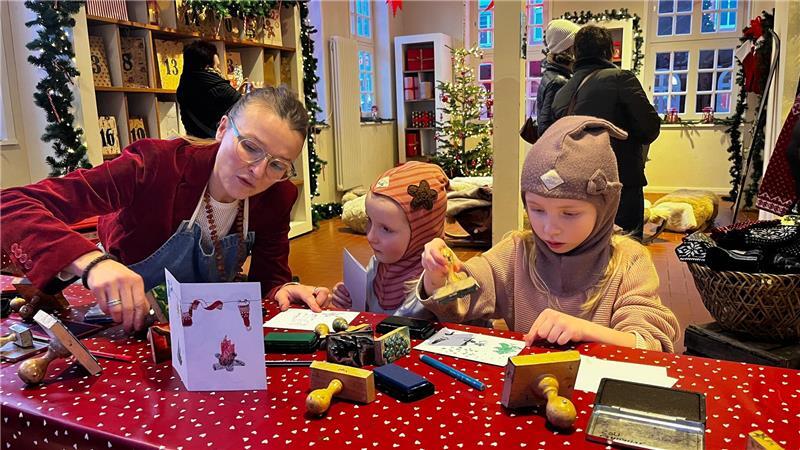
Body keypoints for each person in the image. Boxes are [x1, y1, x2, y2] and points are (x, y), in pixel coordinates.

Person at [0, 86, 331, 332]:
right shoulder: (154, 165)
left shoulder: (277, 196)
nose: (258, 172)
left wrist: (283, 288)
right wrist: (92, 263)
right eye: (249, 147)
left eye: (277, 164)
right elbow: (11, 205)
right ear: (222, 128)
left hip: (205, 329)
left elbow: (268, 278)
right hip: (125, 325)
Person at [417, 116, 679, 352]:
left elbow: (649, 344)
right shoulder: (517, 251)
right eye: (537, 209)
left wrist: (585, 330)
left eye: (570, 214)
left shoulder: (629, 261)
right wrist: (439, 276)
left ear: (605, 208)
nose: (549, 228)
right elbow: (462, 299)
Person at [551, 25, 661, 240]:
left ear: (576, 53)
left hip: (575, 182)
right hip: (618, 181)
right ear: (608, 51)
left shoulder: (563, 91)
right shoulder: (621, 79)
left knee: (584, 246)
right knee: (625, 250)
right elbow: (649, 129)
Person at [330, 162, 448, 318]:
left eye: (386, 229)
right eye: (369, 220)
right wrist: (350, 300)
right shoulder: (377, 267)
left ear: (421, 234)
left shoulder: (436, 282)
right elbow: (370, 313)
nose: (370, 237)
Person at [177, 40, 241, 138]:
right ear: (206, 67)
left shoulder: (183, 88)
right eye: (216, 66)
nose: (219, 70)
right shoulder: (219, 88)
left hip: (194, 144)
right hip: (216, 146)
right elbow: (246, 112)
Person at [536, 19, 581, 135]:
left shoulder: (551, 73)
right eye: (576, 46)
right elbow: (545, 127)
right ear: (568, 48)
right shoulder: (559, 81)